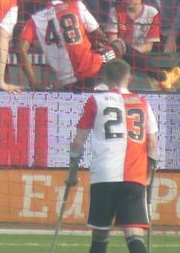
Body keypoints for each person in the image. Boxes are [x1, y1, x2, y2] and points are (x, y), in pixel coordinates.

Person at [66, 59, 159, 253]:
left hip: (104, 175)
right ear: (129, 78)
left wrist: (72, 173)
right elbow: (152, 145)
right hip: (134, 176)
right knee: (134, 234)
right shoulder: (143, 103)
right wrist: (149, 175)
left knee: (100, 234)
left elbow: (78, 141)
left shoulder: (95, 101)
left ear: (104, 78)